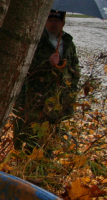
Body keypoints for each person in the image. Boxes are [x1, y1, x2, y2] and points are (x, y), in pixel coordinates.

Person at [14, 9, 81, 149]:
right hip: (37, 99)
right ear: (45, 21)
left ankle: (46, 164)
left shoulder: (68, 43)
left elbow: (75, 71)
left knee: (51, 137)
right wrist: (47, 63)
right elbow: (26, 69)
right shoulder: (36, 40)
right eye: (50, 20)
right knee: (31, 135)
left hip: (58, 99)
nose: (53, 24)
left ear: (63, 23)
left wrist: (70, 96)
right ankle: (27, 163)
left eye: (57, 21)